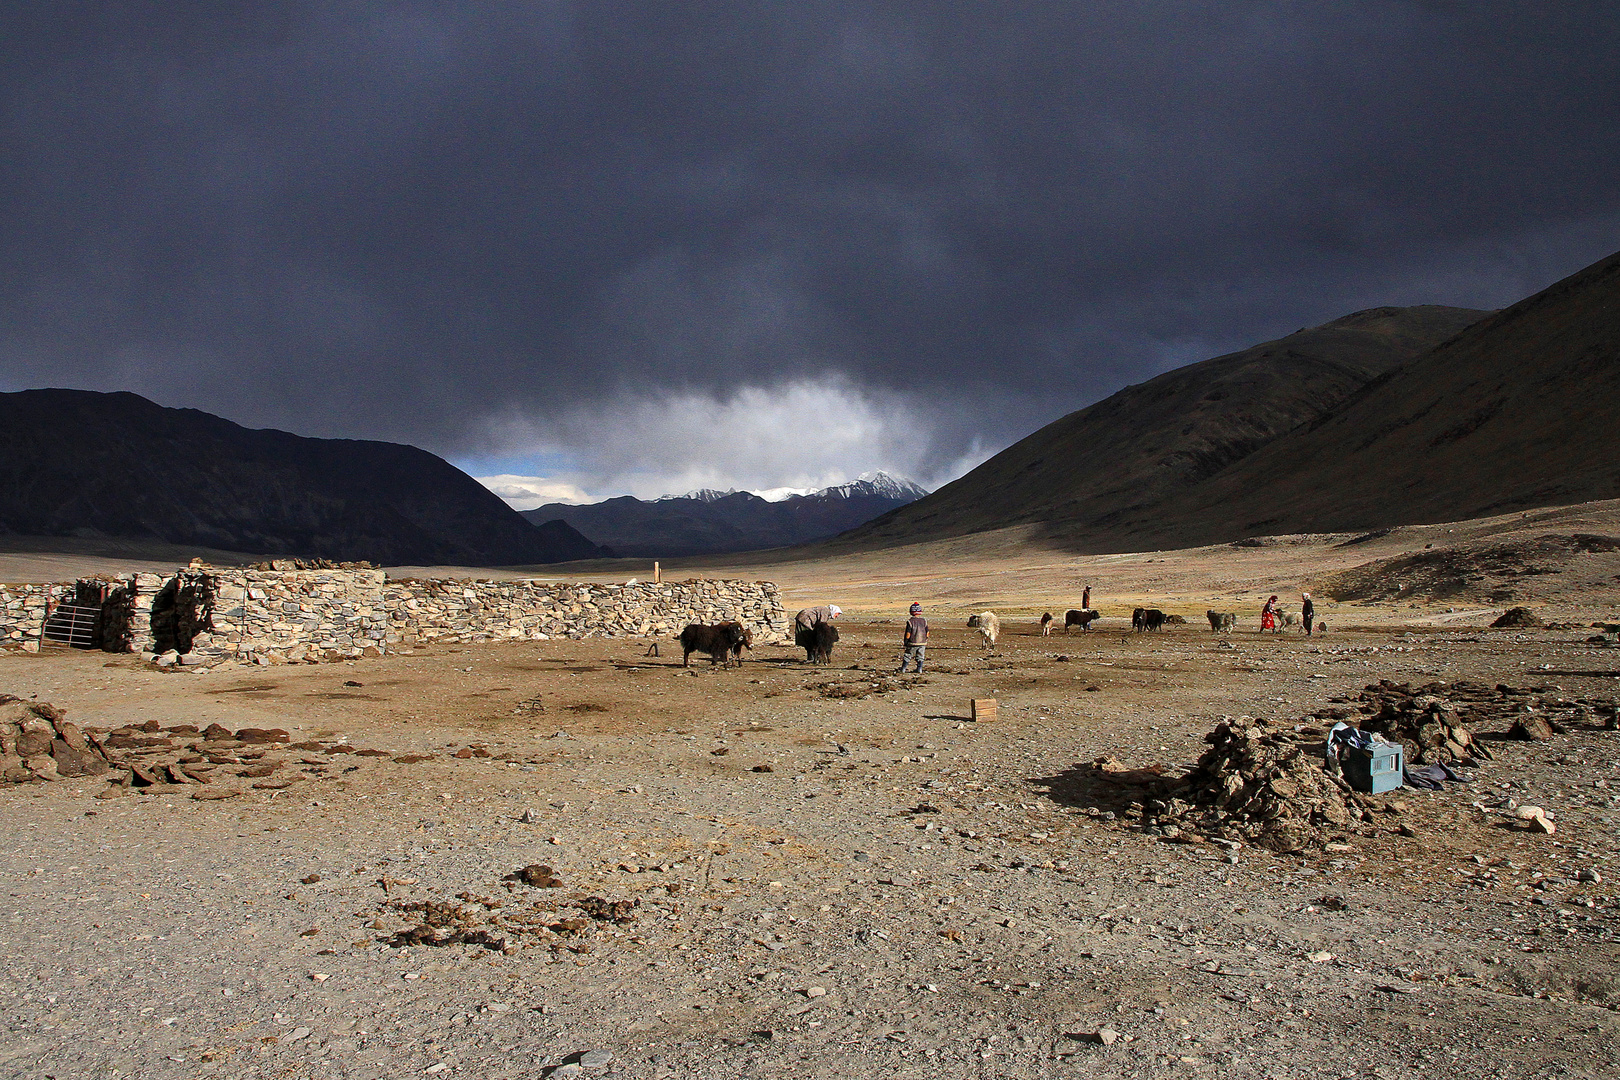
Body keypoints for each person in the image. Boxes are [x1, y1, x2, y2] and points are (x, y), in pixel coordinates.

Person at [898, 602, 928, 674]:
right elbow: (927, 632)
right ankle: (919, 669)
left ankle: (903, 669)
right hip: (922, 642)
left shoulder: (910, 621)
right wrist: (925, 639)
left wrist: (906, 641)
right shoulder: (924, 621)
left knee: (908, 655)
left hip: (912, 642)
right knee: (920, 656)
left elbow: (908, 633)